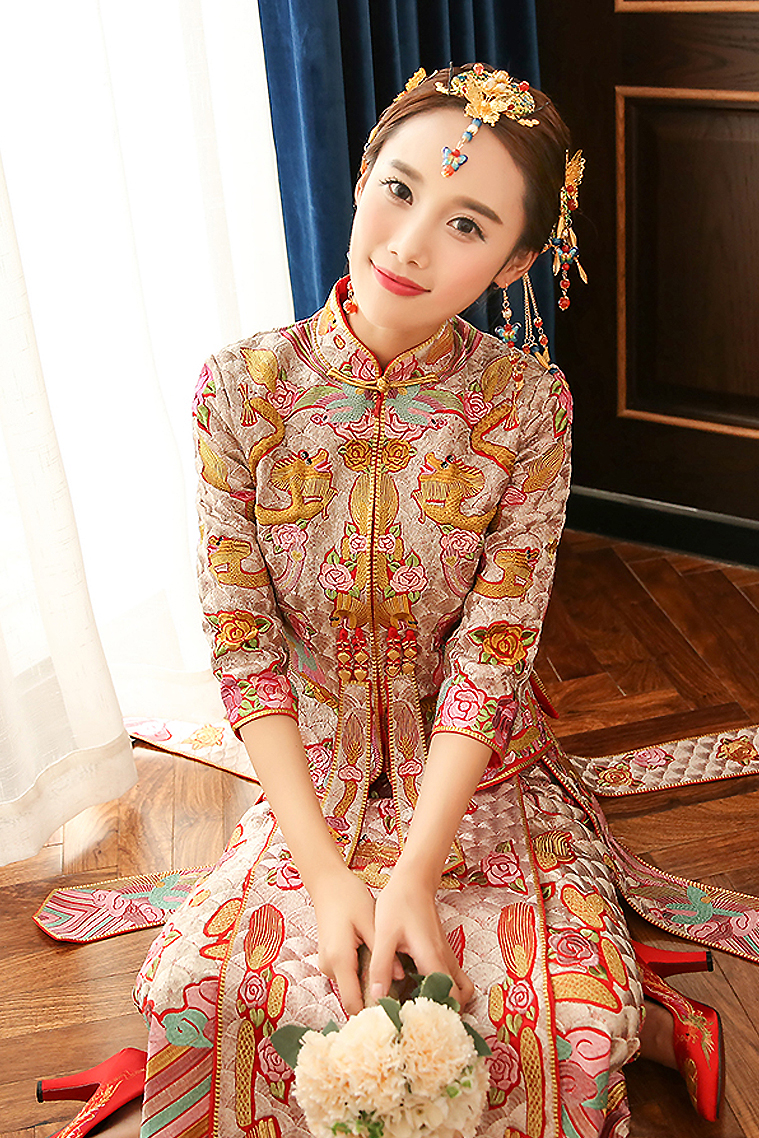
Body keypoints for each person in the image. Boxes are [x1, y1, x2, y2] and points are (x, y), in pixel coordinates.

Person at [127, 65, 723, 1138]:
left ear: (515, 263)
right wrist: (325, 874)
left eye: (466, 224)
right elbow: (243, 645)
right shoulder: (241, 390)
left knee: (560, 1023)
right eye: (398, 191)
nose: (408, 245)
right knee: (203, 997)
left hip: (480, 772)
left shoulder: (528, 407)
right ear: (362, 179)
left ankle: (649, 1023)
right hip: (311, 775)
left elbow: (493, 655)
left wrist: (411, 875)